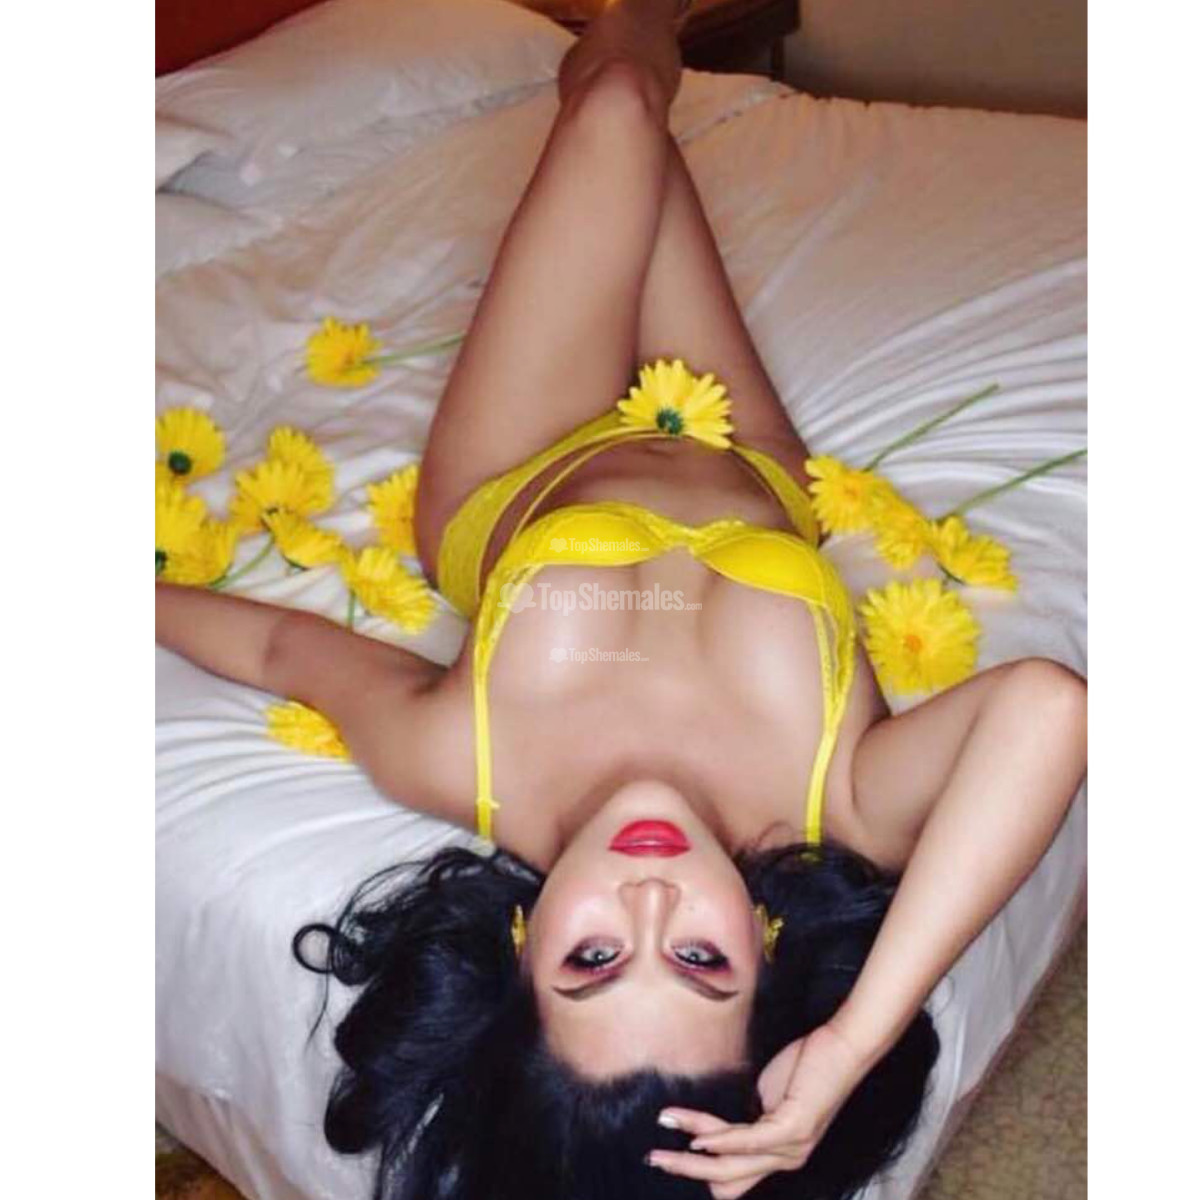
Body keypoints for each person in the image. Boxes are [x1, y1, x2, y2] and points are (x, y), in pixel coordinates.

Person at [155, 1, 1088, 1196]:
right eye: (700, 960)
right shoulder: (846, 804)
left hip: (520, 460)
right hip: (741, 457)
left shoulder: (464, 756)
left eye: (593, 959)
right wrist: (855, 1041)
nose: (650, 897)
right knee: (637, 138)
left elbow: (284, 654)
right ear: (765, 946)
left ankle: (631, 20)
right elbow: (1050, 712)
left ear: (519, 948)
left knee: (612, 108)